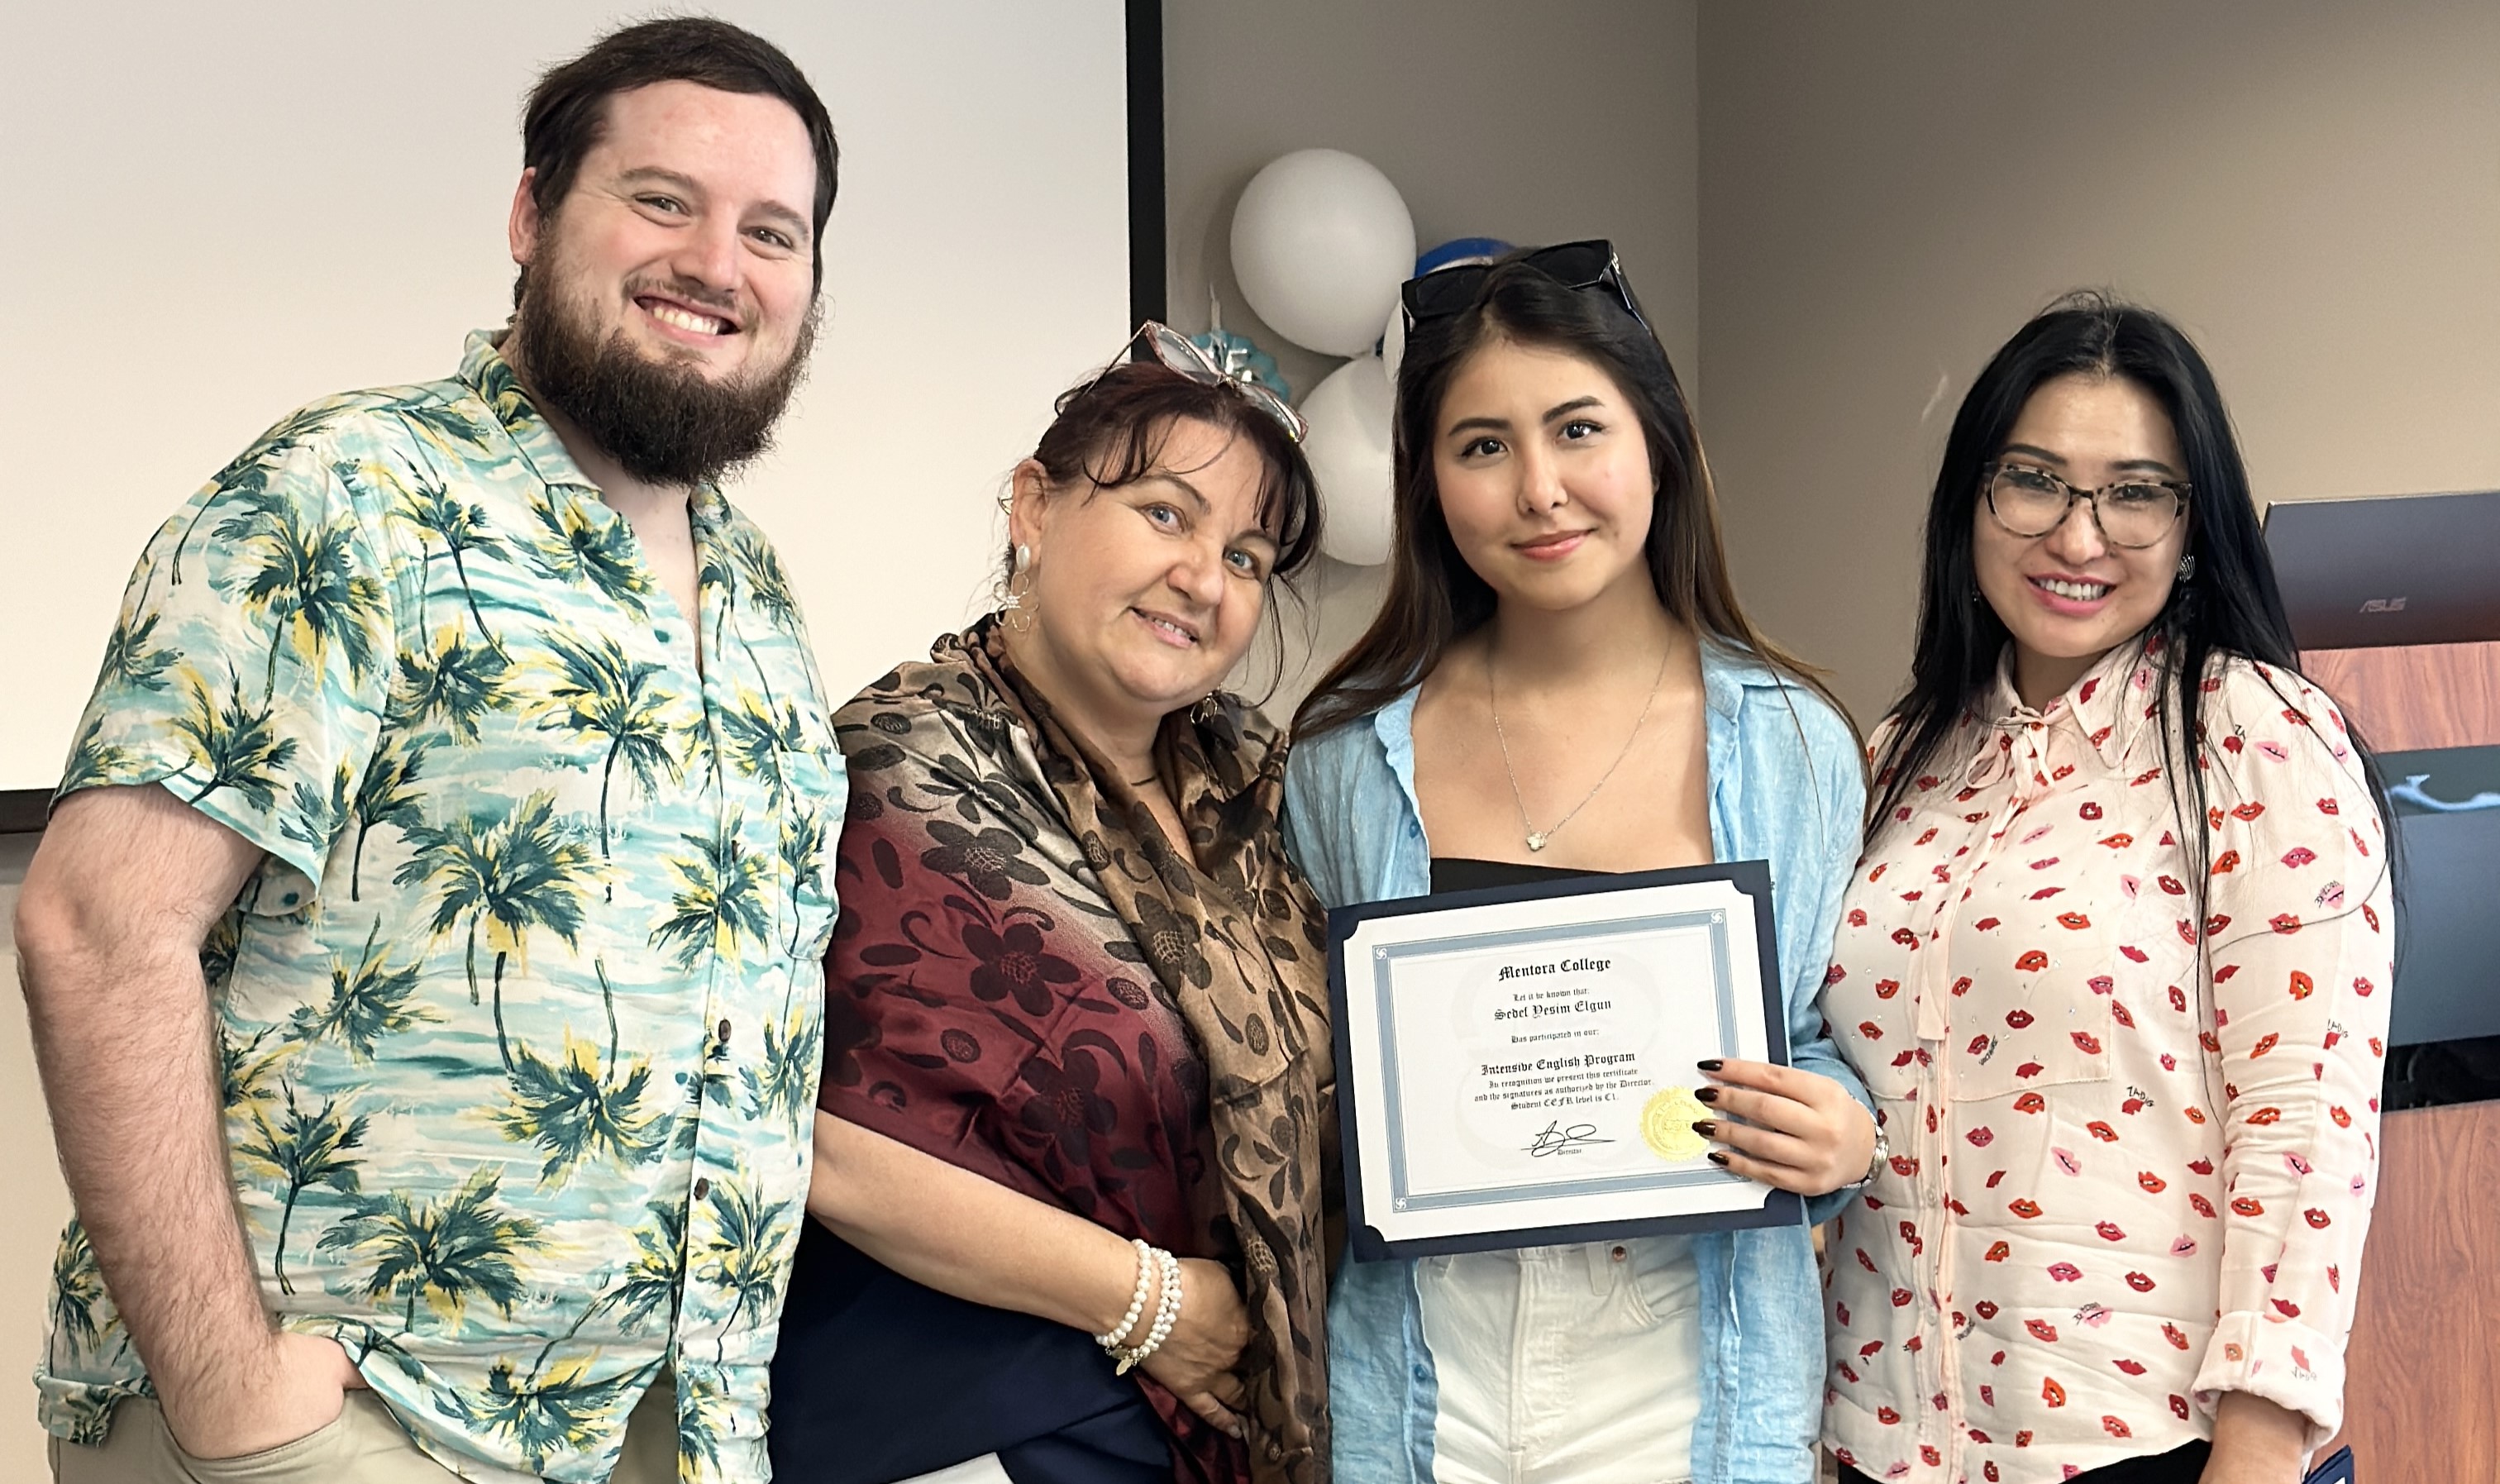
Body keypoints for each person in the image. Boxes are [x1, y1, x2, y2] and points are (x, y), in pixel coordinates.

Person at [13, 19, 845, 1483]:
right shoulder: (347, 492)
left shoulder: (762, 594)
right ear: (532, 215)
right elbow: (94, 923)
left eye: (771, 230)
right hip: (351, 1426)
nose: (718, 263)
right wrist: (240, 1410)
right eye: (661, 200)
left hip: (665, 1433)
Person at [1285, 242, 1877, 1484]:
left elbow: (1813, 1034)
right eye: (1482, 446)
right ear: (1429, 483)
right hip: (1420, 1373)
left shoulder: (1792, 746)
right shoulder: (1343, 761)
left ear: (1656, 439)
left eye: (1576, 429)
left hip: (1686, 1380)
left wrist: (1843, 1137)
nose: (1540, 490)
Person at [1818, 294, 2393, 1484]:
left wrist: (2260, 1448)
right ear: (1971, 501)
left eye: (2136, 492)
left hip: (2137, 1446)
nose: (2079, 539)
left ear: (2194, 525)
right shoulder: (1893, 759)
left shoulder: (2254, 735)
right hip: (1884, 1438)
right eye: (2033, 481)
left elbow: (2303, 1130)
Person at [769, 326, 1334, 1484]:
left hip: (1211, 1432)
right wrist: (1156, 1304)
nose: (1202, 578)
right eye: (1167, 514)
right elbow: (822, 1143)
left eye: (1247, 558)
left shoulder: (1263, 793)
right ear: (1034, 505)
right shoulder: (897, 775)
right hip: (970, 1425)